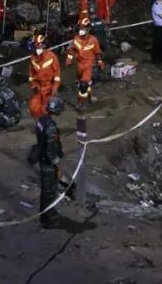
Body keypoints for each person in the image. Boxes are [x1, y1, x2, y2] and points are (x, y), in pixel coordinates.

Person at [34, 97, 65, 227]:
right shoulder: (51, 127)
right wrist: (58, 167)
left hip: (42, 158)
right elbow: (51, 150)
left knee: (46, 190)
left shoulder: (41, 120)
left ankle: (46, 214)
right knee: (49, 191)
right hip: (48, 163)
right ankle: (48, 219)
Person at [65, 17, 104, 108]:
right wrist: (69, 59)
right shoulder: (76, 39)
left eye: (83, 28)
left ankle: (81, 103)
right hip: (79, 64)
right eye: (80, 28)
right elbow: (71, 50)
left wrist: (100, 61)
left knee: (83, 84)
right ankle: (89, 98)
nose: (80, 30)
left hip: (89, 65)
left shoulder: (93, 40)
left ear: (88, 29)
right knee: (82, 84)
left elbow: (98, 52)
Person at [28, 34, 61, 119]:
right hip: (38, 87)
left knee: (45, 109)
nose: (37, 48)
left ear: (44, 45)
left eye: (39, 46)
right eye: (35, 46)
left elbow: (57, 73)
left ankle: (46, 122)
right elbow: (31, 72)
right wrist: (33, 84)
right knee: (33, 107)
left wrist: (55, 87)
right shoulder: (33, 58)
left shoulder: (51, 56)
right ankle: (39, 122)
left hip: (48, 87)